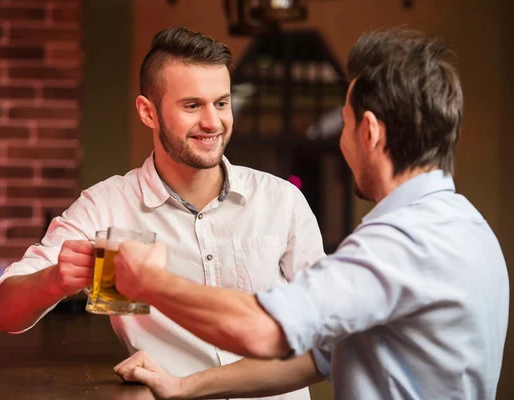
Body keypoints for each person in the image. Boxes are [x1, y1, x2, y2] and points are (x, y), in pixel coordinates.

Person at [112, 28, 509, 399]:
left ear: (368, 132)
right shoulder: (464, 224)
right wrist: (184, 386)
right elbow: (320, 353)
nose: (341, 139)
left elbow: (264, 331)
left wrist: (149, 281)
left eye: (345, 123)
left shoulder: (402, 241)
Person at [0, 27, 326, 400]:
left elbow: (323, 328)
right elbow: (2, 314)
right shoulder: (106, 207)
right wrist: (56, 280)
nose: (213, 122)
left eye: (222, 103)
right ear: (148, 112)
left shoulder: (282, 200)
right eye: (192, 105)